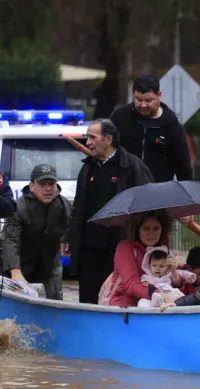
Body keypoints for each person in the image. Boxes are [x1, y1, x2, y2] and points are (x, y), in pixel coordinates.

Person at [62, 118, 155, 304]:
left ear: (108, 139)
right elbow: (78, 207)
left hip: (118, 247)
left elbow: (148, 205)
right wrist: (69, 236)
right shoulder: (88, 167)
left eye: (92, 137)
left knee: (115, 298)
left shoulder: (131, 167)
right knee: (88, 300)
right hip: (88, 248)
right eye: (87, 138)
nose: (87, 143)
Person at [1, 165, 71, 300]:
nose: (48, 188)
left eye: (51, 184)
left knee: (56, 303)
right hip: (21, 262)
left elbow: (72, 227)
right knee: (15, 304)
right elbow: (10, 240)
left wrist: (68, 241)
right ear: (32, 186)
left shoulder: (63, 205)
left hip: (50, 264)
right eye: (42, 184)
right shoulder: (19, 206)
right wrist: (15, 271)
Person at [110, 74, 193, 183]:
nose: (143, 105)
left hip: (158, 192)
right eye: (138, 100)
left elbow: (183, 167)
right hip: (123, 189)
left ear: (159, 95)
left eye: (149, 101)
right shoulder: (120, 117)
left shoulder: (172, 126)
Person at [110, 210, 187, 307]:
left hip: (160, 304)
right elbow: (131, 284)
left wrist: (174, 272)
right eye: (146, 229)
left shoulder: (164, 250)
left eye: (156, 229)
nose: (151, 234)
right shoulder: (125, 248)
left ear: (162, 230)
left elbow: (174, 286)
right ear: (138, 230)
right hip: (126, 306)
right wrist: (160, 294)